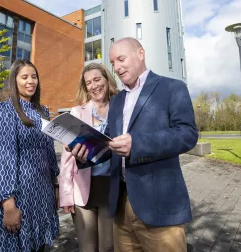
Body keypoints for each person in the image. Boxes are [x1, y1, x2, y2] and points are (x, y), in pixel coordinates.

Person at [70, 38, 198, 252]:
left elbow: (187, 134)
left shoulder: (172, 88)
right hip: (120, 207)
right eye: (113, 62)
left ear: (141, 54)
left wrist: (137, 144)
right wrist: (84, 153)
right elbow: (109, 144)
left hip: (159, 207)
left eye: (121, 59)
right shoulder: (118, 100)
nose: (117, 67)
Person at [0, 59, 60, 252]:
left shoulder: (42, 112)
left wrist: (56, 186)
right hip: (19, 197)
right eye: (24, 77)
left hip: (42, 196)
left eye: (34, 77)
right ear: (14, 81)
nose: (30, 81)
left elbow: (49, 152)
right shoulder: (5, 111)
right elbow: (1, 159)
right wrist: (8, 205)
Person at [59, 63, 119, 252]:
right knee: (87, 247)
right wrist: (66, 196)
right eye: (88, 83)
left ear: (107, 80)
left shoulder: (120, 109)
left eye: (97, 79)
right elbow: (67, 162)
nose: (94, 86)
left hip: (111, 188)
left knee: (108, 247)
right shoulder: (77, 113)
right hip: (82, 189)